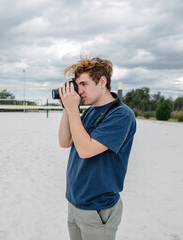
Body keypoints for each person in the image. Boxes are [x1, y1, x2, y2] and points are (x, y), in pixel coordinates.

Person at [58, 57, 136, 240]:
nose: (80, 91)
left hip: (98, 207)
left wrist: (72, 110)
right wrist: (66, 107)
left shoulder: (122, 115)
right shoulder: (90, 111)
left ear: (102, 81)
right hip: (76, 202)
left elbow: (85, 150)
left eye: (84, 84)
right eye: (76, 85)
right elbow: (64, 141)